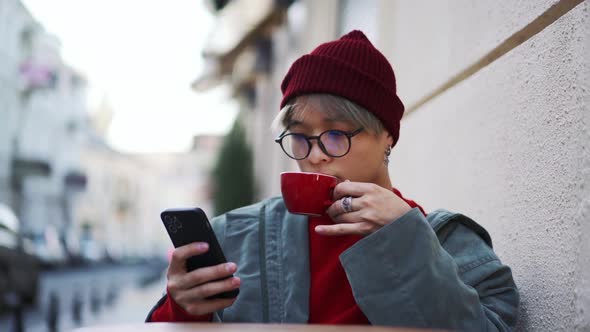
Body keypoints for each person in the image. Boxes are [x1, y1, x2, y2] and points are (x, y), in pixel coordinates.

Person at [146, 30, 519, 330]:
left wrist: (403, 237)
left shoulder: (449, 241)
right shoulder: (234, 235)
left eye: (337, 134)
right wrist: (183, 308)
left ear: (387, 136)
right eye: (300, 136)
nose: (315, 154)